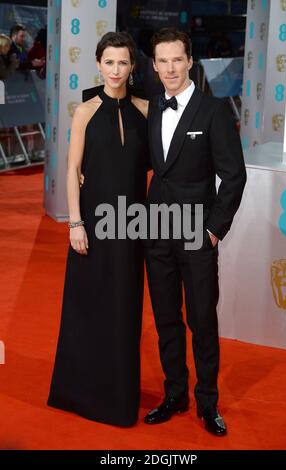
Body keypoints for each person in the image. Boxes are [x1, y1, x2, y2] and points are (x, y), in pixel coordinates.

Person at [144, 28, 247, 436]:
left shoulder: (214, 110)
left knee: (202, 320)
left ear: (190, 61)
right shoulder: (150, 107)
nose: (170, 68)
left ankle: (207, 402)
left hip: (197, 233)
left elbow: (233, 176)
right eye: (162, 61)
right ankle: (174, 395)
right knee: (166, 318)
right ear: (154, 65)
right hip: (155, 230)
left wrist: (213, 230)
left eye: (177, 59)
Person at [47, 32, 149, 426]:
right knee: (87, 306)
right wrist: (75, 222)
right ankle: (80, 392)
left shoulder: (144, 108)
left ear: (132, 67)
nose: (116, 70)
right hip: (91, 223)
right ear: (98, 64)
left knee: (124, 308)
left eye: (123, 63)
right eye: (109, 62)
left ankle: (118, 395)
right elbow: (73, 170)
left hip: (132, 224)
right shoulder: (85, 111)